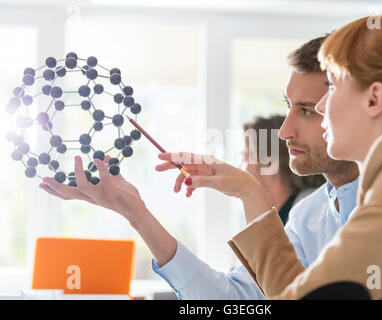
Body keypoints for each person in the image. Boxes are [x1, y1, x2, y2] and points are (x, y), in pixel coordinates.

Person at [39, 36, 360, 300]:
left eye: (306, 110)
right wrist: (136, 213)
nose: (284, 131)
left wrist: (251, 192)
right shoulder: (309, 215)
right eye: (288, 107)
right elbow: (233, 300)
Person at [210, 14, 382, 299]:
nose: (322, 104)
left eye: (333, 87)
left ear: (374, 99)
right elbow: (305, 290)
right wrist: (250, 192)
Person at [243, 115, 325, 225]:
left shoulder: (310, 211)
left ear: (267, 162)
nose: (243, 168)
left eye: (246, 157)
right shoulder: (279, 216)